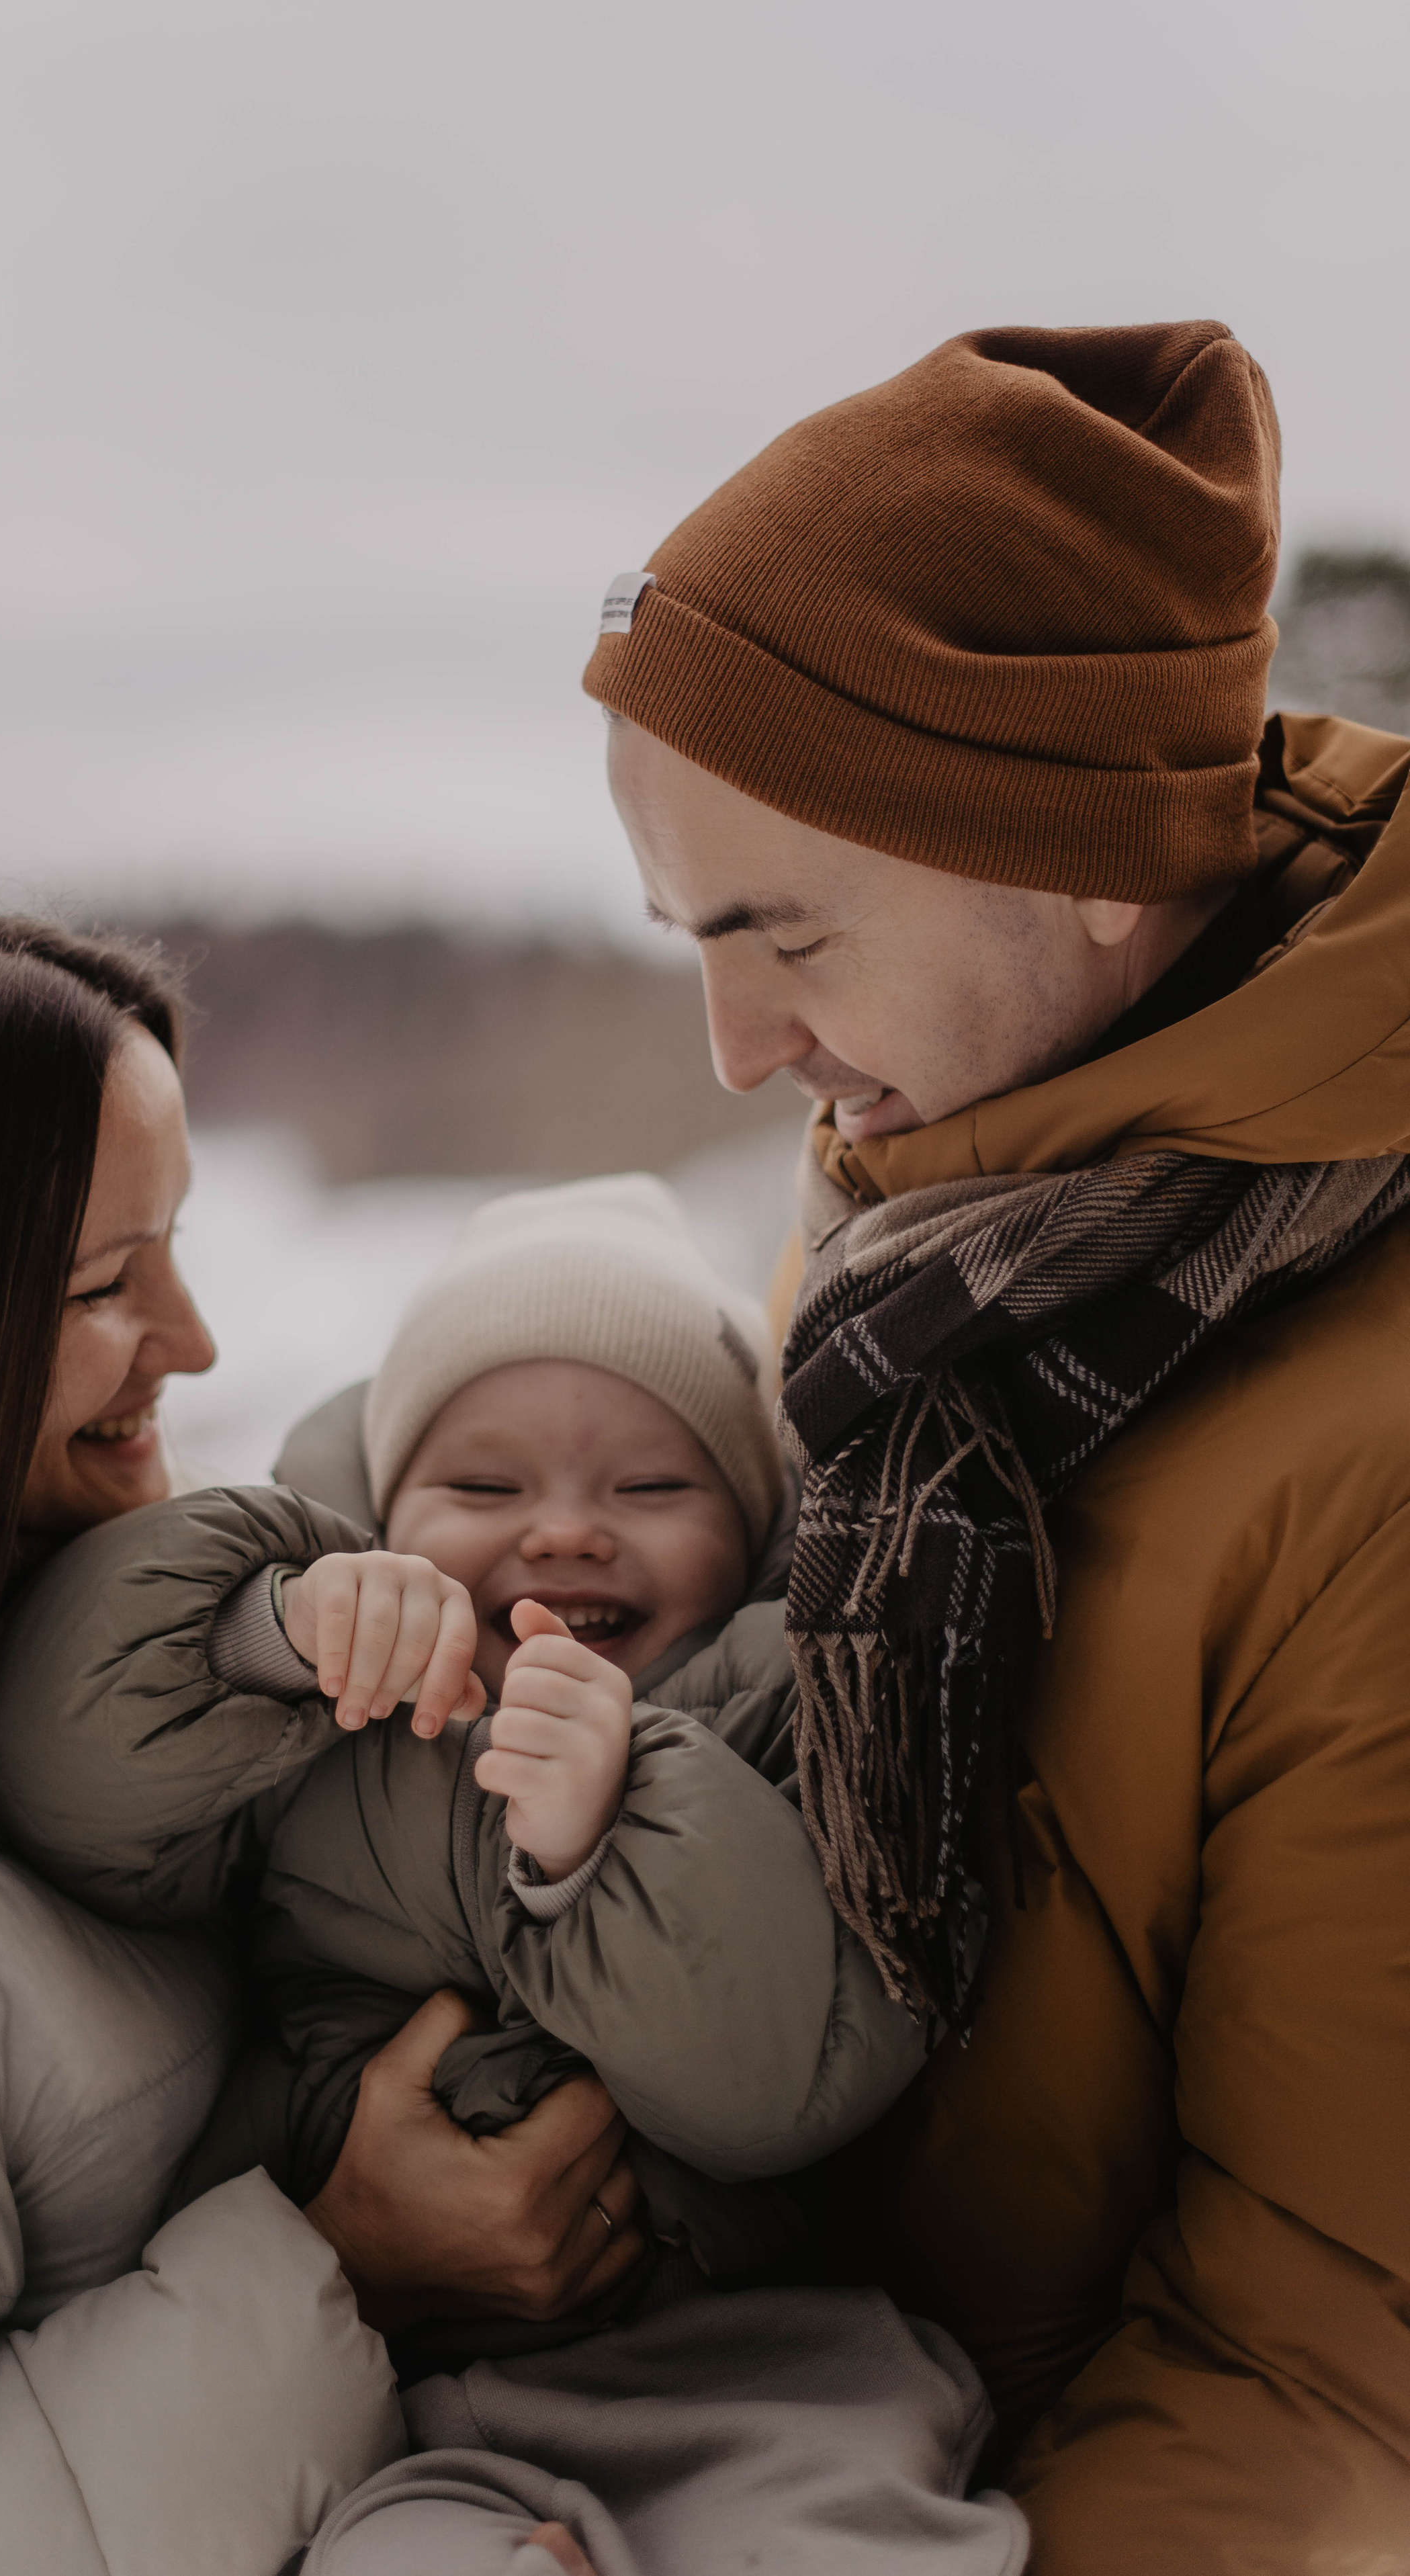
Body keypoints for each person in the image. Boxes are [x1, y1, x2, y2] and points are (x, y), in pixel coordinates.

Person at [581, 319, 1410, 2567]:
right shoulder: (930, 1245)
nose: (736, 1049)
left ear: (1087, 854)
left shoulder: (1371, 1457)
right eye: (685, 937)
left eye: (782, 931)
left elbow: (1324, 2368)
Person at [0, 893, 644, 2576]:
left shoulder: (153, 1630)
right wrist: (349, 2264)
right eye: (101, 1286)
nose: (196, 1343)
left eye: (179, 1245)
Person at [0, 1172, 1028, 2575]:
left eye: (652, 1487)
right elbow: (68, 1781)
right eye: (483, 1487)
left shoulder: (796, 1703)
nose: (565, 1532)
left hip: (747, 2375)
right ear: (382, 1510)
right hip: (382, 2405)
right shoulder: (322, 1715)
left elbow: (792, 2078)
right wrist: (262, 1632)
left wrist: (613, 1822)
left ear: (750, 1526)